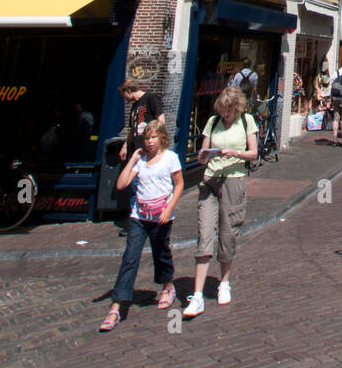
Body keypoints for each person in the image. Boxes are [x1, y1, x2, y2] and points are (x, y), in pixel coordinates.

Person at [100, 119, 183, 331]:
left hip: (161, 217)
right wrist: (133, 159)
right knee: (130, 256)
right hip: (139, 217)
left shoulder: (170, 158)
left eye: (153, 138)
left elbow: (179, 184)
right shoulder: (141, 160)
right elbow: (121, 184)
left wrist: (169, 208)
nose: (149, 142)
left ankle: (167, 286)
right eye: (146, 138)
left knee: (161, 253)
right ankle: (117, 306)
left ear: (161, 138)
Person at [183, 86, 257, 319]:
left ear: (236, 108)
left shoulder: (247, 121)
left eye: (229, 111)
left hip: (234, 180)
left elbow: (254, 153)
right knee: (204, 233)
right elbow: (202, 152)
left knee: (228, 232)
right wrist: (204, 155)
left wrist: (235, 154)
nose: (225, 115)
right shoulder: (213, 121)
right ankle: (196, 296)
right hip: (210, 180)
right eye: (223, 111)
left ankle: (224, 282)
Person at [118, 81, 164, 162]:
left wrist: (159, 143)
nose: (124, 98)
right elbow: (133, 129)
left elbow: (161, 121)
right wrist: (125, 146)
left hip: (149, 148)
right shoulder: (134, 106)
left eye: (123, 94)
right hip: (137, 149)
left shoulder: (151, 98)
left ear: (129, 91)